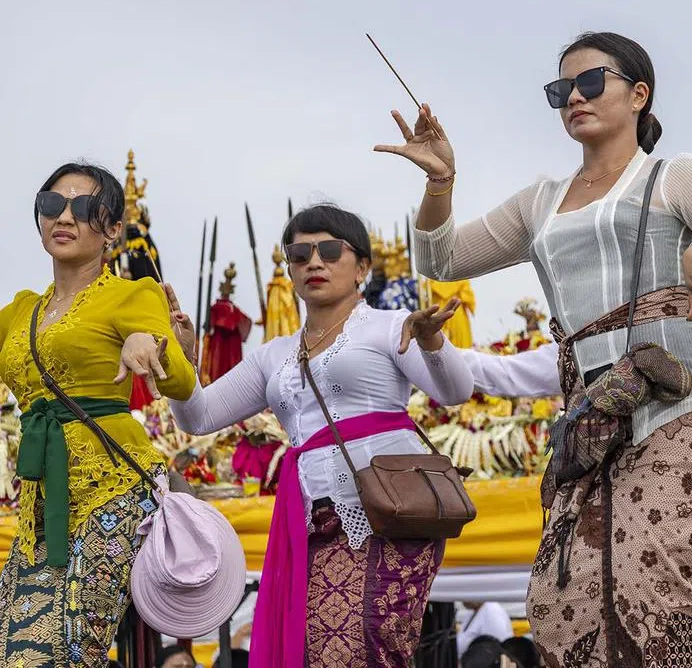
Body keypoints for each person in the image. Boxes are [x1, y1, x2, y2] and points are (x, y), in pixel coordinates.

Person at [377, 31, 692, 665]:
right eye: (560, 89)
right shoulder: (540, 202)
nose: (574, 97)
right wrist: (442, 182)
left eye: (591, 82)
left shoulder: (672, 175)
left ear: (639, 94)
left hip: (682, 399)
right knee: (562, 596)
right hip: (592, 415)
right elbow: (441, 257)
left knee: (645, 583)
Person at [153, 205, 474, 668]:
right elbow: (198, 417)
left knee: (365, 646)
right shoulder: (274, 355)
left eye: (328, 249)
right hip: (309, 521)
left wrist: (432, 343)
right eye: (300, 253)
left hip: (391, 515)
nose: (313, 262)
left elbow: (456, 391)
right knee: (314, 650)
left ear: (363, 265)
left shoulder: (388, 326)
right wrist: (182, 366)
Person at [0, 162, 197, 664]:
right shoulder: (20, 311)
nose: (63, 216)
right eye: (51, 204)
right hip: (41, 505)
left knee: (61, 652)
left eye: (83, 207)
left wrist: (145, 341)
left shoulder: (133, 294)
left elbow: (177, 377)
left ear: (112, 230)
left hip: (111, 494)